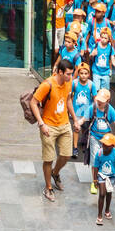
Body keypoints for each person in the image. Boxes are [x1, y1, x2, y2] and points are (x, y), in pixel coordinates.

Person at [31, 62, 77, 202]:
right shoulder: (47, 84)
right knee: (49, 158)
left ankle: (55, 173)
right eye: (68, 73)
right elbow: (33, 103)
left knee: (66, 154)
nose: (71, 76)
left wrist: (74, 119)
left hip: (64, 124)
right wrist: (41, 123)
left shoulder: (68, 83)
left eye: (71, 73)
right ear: (60, 72)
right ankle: (48, 187)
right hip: (48, 126)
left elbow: (68, 100)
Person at [92, 132, 115, 226]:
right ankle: (99, 215)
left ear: (112, 146)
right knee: (102, 193)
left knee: (109, 193)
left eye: (107, 145)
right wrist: (95, 180)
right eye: (103, 144)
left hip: (112, 176)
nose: (104, 147)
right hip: (102, 175)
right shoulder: (99, 153)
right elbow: (96, 167)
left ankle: (107, 210)